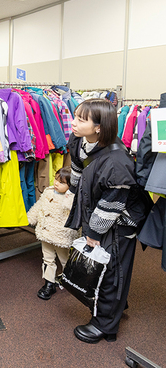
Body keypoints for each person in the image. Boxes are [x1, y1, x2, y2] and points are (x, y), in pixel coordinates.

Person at [66, 98, 148, 344]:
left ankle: (105, 325)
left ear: (99, 127)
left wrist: (94, 232)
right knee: (108, 269)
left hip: (121, 220)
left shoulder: (117, 161)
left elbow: (113, 203)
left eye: (81, 119)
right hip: (100, 211)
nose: (74, 122)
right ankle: (114, 305)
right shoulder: (79, 140)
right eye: (75, 116)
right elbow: (78, 169)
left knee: (113, 269)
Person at [27, 167, 79, 300]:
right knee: (47, 259)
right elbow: (39, 206)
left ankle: (70, 281)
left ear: (70, 185)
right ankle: (49, 284)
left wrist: (71, 195)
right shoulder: (48, 191)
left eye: (61, 182)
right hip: (45, 232)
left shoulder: (73, 198)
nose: (56, 183)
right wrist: (30, 218)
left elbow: (75, 215)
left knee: (65, 259)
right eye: (56, 179)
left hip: (61, 235)